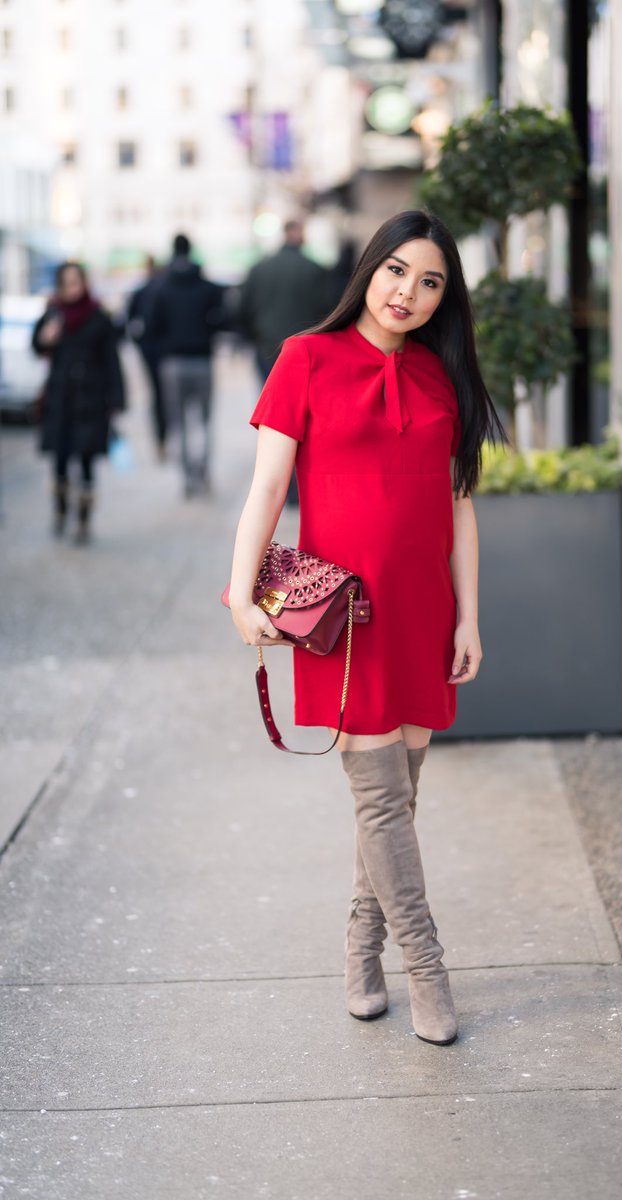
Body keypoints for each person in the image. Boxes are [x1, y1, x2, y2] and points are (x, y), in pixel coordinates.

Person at [227, 210, 503, 1046]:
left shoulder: (441, 376)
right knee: (382, 803)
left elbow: (460, 511)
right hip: (347, 617)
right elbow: (268, 489)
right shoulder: (305, 358)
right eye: (396, 271)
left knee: (397, 804)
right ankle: (427, 968)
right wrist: (241, 595)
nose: (407, 294)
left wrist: (471, 620)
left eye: (430, 283)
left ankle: (359, 949)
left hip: (424, 614)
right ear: (368, 269)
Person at [32, 262, 125, 543]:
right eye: (67, 283)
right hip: (59, 399)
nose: (72, 288)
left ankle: (83, 520)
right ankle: (60, 511)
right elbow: (36, 346)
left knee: (86, 460)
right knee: (59, 461)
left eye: (76, 282)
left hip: (91, 401)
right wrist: (45, 338)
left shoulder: (98, 316)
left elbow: (112, 360)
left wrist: (117, 399)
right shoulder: (53, 313)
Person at [149, 233, 226, 496]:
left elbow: (151, 328)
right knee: (204, 421)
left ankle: (187, 478)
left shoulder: (161, 287)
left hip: (172, 363)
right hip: (202, 359)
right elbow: (223, 320)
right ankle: (203, 471)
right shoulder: (207, 287)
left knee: (179, 423)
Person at [238, 218, 332, 380]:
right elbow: (327, 308)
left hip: (266, 345)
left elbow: (242, 308)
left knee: (269, 395)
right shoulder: (314, 270)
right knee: (300, 398)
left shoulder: (260, 268)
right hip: (303, 346)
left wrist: (252, 336)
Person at [126, 254, 167, 460]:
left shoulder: (141, 291)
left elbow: (130, 322)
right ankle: (164, 438)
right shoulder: (163, 288)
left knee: (157, 395)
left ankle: (161, 439)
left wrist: (140, 343)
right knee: (165, 396)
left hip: (150, 351)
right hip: (164, 352)